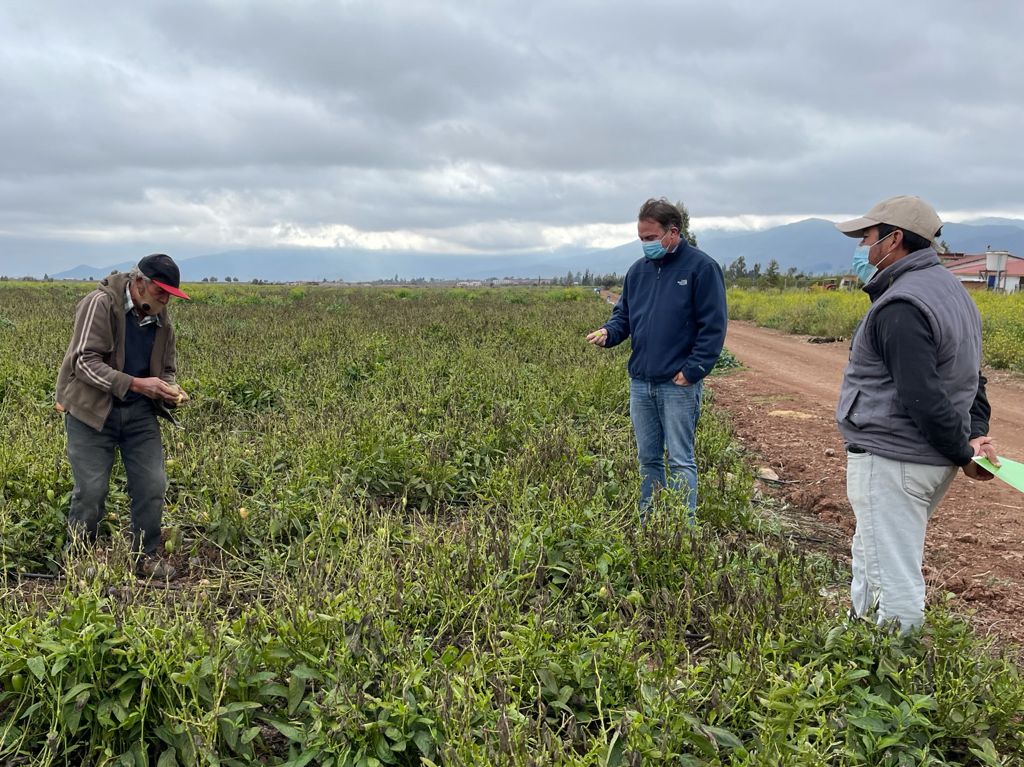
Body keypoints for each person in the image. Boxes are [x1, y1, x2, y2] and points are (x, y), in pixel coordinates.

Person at [835, 195, 998, 630]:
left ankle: (894, 676)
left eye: (867, 237)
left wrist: (964, 451)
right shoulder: (953, 294)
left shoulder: (902, 305)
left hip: (894, 458)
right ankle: (860, 649)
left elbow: (921, 395)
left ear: (895, 240)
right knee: (872, 553)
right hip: (921, 460)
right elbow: (971, 378)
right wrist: (972, 436)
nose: (863, 249)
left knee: (893, 575)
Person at [587, 198, 727, 520]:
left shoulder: (701, 268)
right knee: (648, 459)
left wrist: (693, 371)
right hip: (641, 383)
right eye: (641, 239)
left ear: (672, 232)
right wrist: (609, 333)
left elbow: (714, 326)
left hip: (677, 385)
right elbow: (623, 316)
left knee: (680, 459)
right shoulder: (638, 273)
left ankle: (681, 528)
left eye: (651, 238)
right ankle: (650, 525)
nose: (646, 245)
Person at [56, 254, 191, 579]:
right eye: (161, 291)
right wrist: (134, 383)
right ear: (140, 282)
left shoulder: (161, 319)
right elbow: (84, 362)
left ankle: (144, 557)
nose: (166, 298)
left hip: (139, 414)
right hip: (91, 412)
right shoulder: (100, 304)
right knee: (91, 490)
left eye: (170, 293)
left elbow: (167, 369)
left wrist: (169, 390)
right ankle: (77, 558)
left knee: (152, 484)